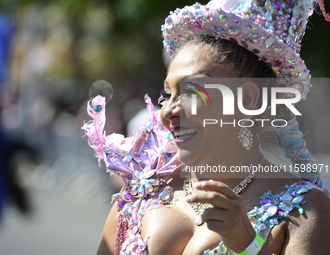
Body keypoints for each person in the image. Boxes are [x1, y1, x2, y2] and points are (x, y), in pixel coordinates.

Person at [82, 0, 330, 254]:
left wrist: (248, 245)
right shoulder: (141, 193)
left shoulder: (304, 208)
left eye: (190, 91)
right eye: (167, 94)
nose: (168, 111)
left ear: (247, 99)